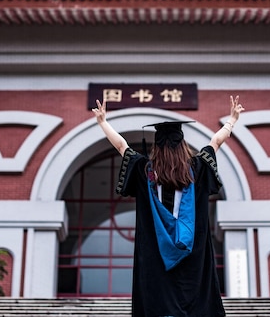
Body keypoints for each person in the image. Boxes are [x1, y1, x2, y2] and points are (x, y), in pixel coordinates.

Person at [92, 95, 244, 317]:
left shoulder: (146, 171)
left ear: (157, 147)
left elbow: (122, 145)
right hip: (193, 259)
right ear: (182, 145)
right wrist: (232, 120)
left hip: (156, 261)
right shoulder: (198, 168)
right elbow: (216, 142)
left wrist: (103, 122)